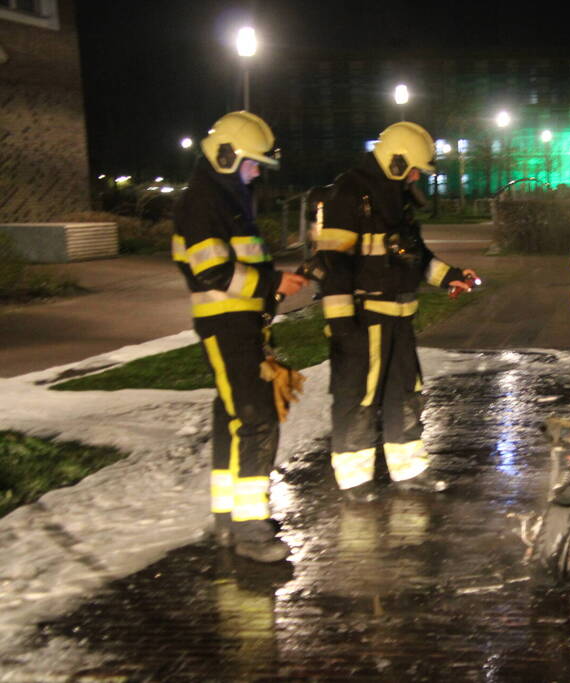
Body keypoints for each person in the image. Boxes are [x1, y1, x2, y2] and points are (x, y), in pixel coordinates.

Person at [314, 121, 479, 503]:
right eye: (415, 168)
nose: (418, 175)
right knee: (359, 395)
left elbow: (415, 256)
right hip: (362, 317)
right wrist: (341, 325)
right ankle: (355, 479)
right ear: (396, 159)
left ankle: (408, 469)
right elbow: (332, 263)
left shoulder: (396, 197)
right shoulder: (350, 192)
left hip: (399, 316)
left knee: (405, 392)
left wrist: (451, 276)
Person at [172, 111, 308, 562]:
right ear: (226, 156)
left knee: (233, 418)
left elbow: (243, 267)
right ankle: (250, 530)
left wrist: (275, 285)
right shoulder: (202, 203)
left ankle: (228, 520)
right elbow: (212, 270)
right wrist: (272, 285)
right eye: (250, 164)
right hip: (226, 327)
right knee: (256, 420)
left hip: (241, 325)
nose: (255, 173)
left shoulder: (226, 201)